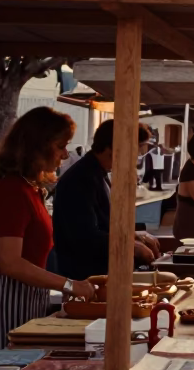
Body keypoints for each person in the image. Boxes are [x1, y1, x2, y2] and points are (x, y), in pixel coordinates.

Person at [0, 107, 96, 349]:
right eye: (61, 146)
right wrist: (68, 284)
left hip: (33, 298)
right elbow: (10, 262)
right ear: (38, 146)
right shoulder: (12, 191)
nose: (65, 155)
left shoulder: (30, 189)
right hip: (11, 301)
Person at [53, 120, 164, 281]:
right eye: (135, 149)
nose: (137, 156)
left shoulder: (98, 173)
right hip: (86, 278)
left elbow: (106, 223)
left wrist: (135, 236)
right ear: (112, 147)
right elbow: (86, 236)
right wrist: (131, 246)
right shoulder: (81, 179)